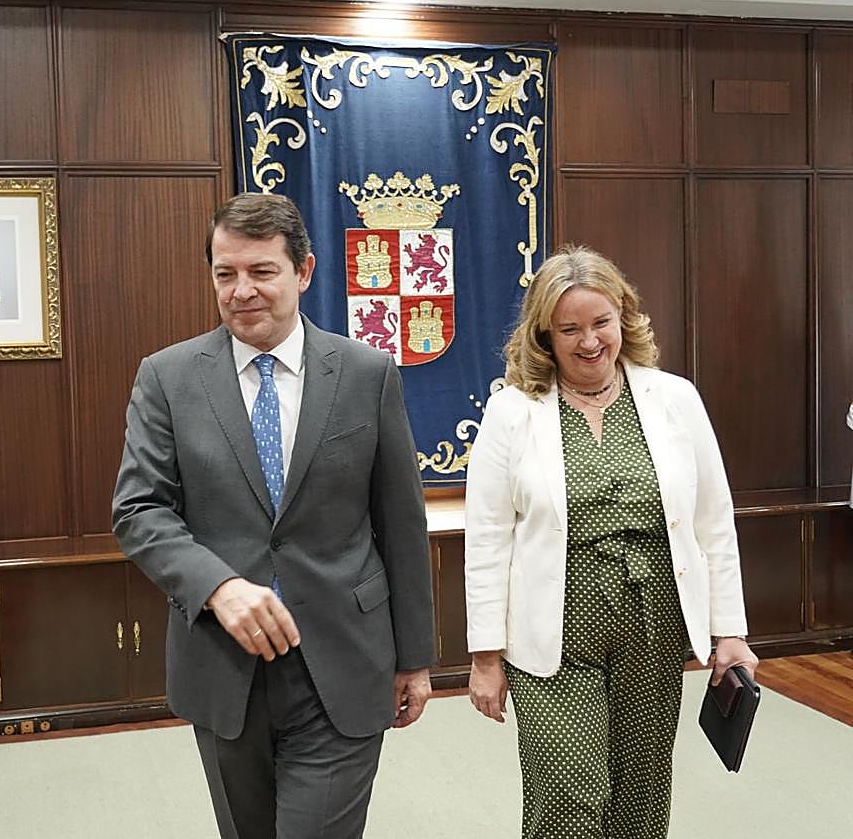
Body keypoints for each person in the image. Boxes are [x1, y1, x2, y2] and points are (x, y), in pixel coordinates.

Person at [112, 192, 435, 838]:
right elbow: (139, 509)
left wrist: (416, 657)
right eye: (225, 273)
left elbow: (401, 521)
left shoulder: (367, 373)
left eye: (261, 272)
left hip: (343, 659)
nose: (241, 292)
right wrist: (219, 586)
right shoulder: (168, 377)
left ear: (304, 272)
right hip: (224, 667)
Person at [464, 245, 758, 839]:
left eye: (601, 322)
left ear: (624, 316)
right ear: (544, 334)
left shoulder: (674, 399)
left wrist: (730, 631)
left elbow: (713, 523)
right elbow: (489, 540)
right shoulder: (512, 410)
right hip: (552, 632)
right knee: (566, 793)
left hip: (655, 626)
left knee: (641, 791)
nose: (589, 341)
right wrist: (485, 657)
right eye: (569, 328)